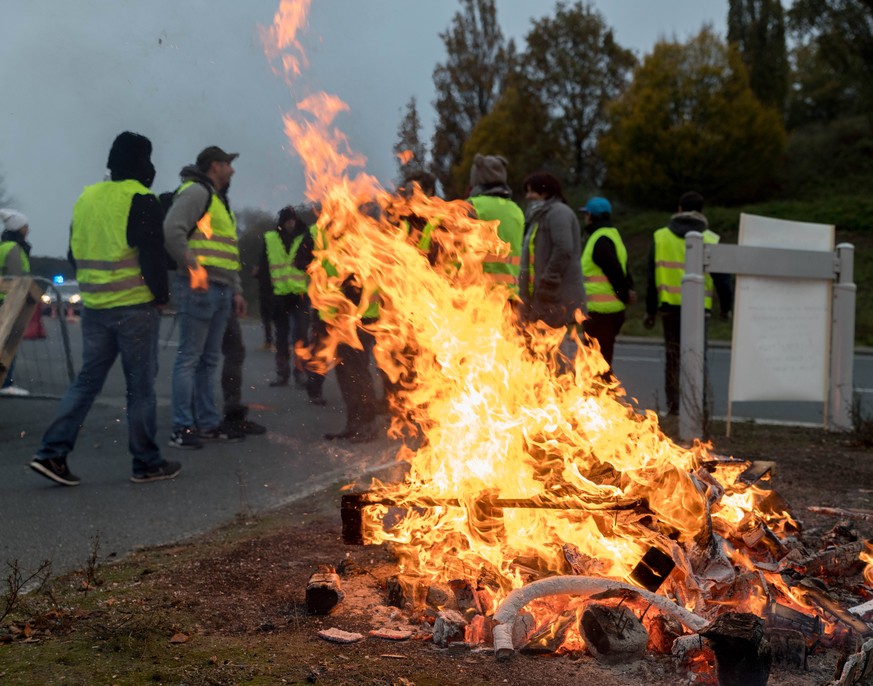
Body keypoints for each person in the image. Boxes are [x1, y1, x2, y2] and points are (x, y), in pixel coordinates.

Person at [28, 131, 178, 485]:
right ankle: (146, 463)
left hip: (95, 307)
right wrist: (161, 295)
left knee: (85, 383)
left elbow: (72, 252)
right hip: (134, 309)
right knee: (140, 388)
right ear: (144, 163)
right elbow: (152, 255)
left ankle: (51, 454)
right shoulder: (141, 198)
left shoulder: (87, 197)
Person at [164, 145, 247, 449]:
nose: (232, 170)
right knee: (190, 358)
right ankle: (182, 428)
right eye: (228, 164)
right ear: (215, 166)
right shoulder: (197, 193)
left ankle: (208, 424)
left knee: (209, 360)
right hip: (200, 286)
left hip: (221, 288)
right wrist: (194, 269)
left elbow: (228, 253)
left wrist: (236, 289)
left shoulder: (218, 200)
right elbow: (172, 230)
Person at [643, 191, 733, 416]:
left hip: (669, 308)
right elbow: (723, 279)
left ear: (679, 208)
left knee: (673, 357)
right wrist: (726, 307)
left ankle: (674, 407)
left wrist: (650, 311)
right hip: (698, 310)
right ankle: (696, 406)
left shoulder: (660, 236)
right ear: (701, 211)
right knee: (696, 358)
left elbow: (651, 277)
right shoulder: (711, 238)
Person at [518, 171, 586, 361]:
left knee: (556, 355)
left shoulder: (559, 213)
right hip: (542, 296)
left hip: (556, 297)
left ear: (543, 191)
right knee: (539, 353)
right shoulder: (540, 216)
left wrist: (548, 281)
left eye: (531, 192)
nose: (527, 196)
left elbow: (564, 249)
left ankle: (560, 389)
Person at [579, 196, 634, 370]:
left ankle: (599, 396)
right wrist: (627, 291)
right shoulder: (611, 235)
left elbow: (615, 271)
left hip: (601, 313)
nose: (584, 218)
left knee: (597, 366)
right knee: (598, 363)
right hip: (609, 312)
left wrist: (624, 294)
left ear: (591, 216)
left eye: (586, 214)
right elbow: (623, 268)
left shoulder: (600, 239)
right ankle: (597, 395)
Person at [262, 205, 313, 388]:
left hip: (300, 294)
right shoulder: (271, 239)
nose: (290, 224)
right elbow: (265, 269)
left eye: (292, 220)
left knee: (300, 335)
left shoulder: (305, 237)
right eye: (287, 221)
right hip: (279, 296)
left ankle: (301, 373)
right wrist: (267, 295)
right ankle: (282, 374)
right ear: (281, 222)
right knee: (281, 337)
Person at [467, 154, 524, 298]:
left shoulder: (473, 206)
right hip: (511, 294)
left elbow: (457, 250)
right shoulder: (516, 210)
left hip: (480, 294)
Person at [0, 209, 33, 396]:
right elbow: (17, 276)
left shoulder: (3, 246)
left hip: (4, 299)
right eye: (25, 226)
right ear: (17, 228)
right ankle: (6, 382)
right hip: (9, 301)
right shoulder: (13, 248)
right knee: (9, 344)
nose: (28, 230)